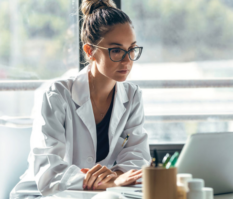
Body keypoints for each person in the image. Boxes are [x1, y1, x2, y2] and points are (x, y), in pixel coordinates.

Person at [10, 0, 151, 198]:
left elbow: (137, 155)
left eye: (132, 49)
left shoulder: (132, 96)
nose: (127, 60)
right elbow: (49, 171)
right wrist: (105, 183)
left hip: (103, 192)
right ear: (89, 51)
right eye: (116, 50)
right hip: (48, 193)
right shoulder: (56, 95)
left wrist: (116, 177)